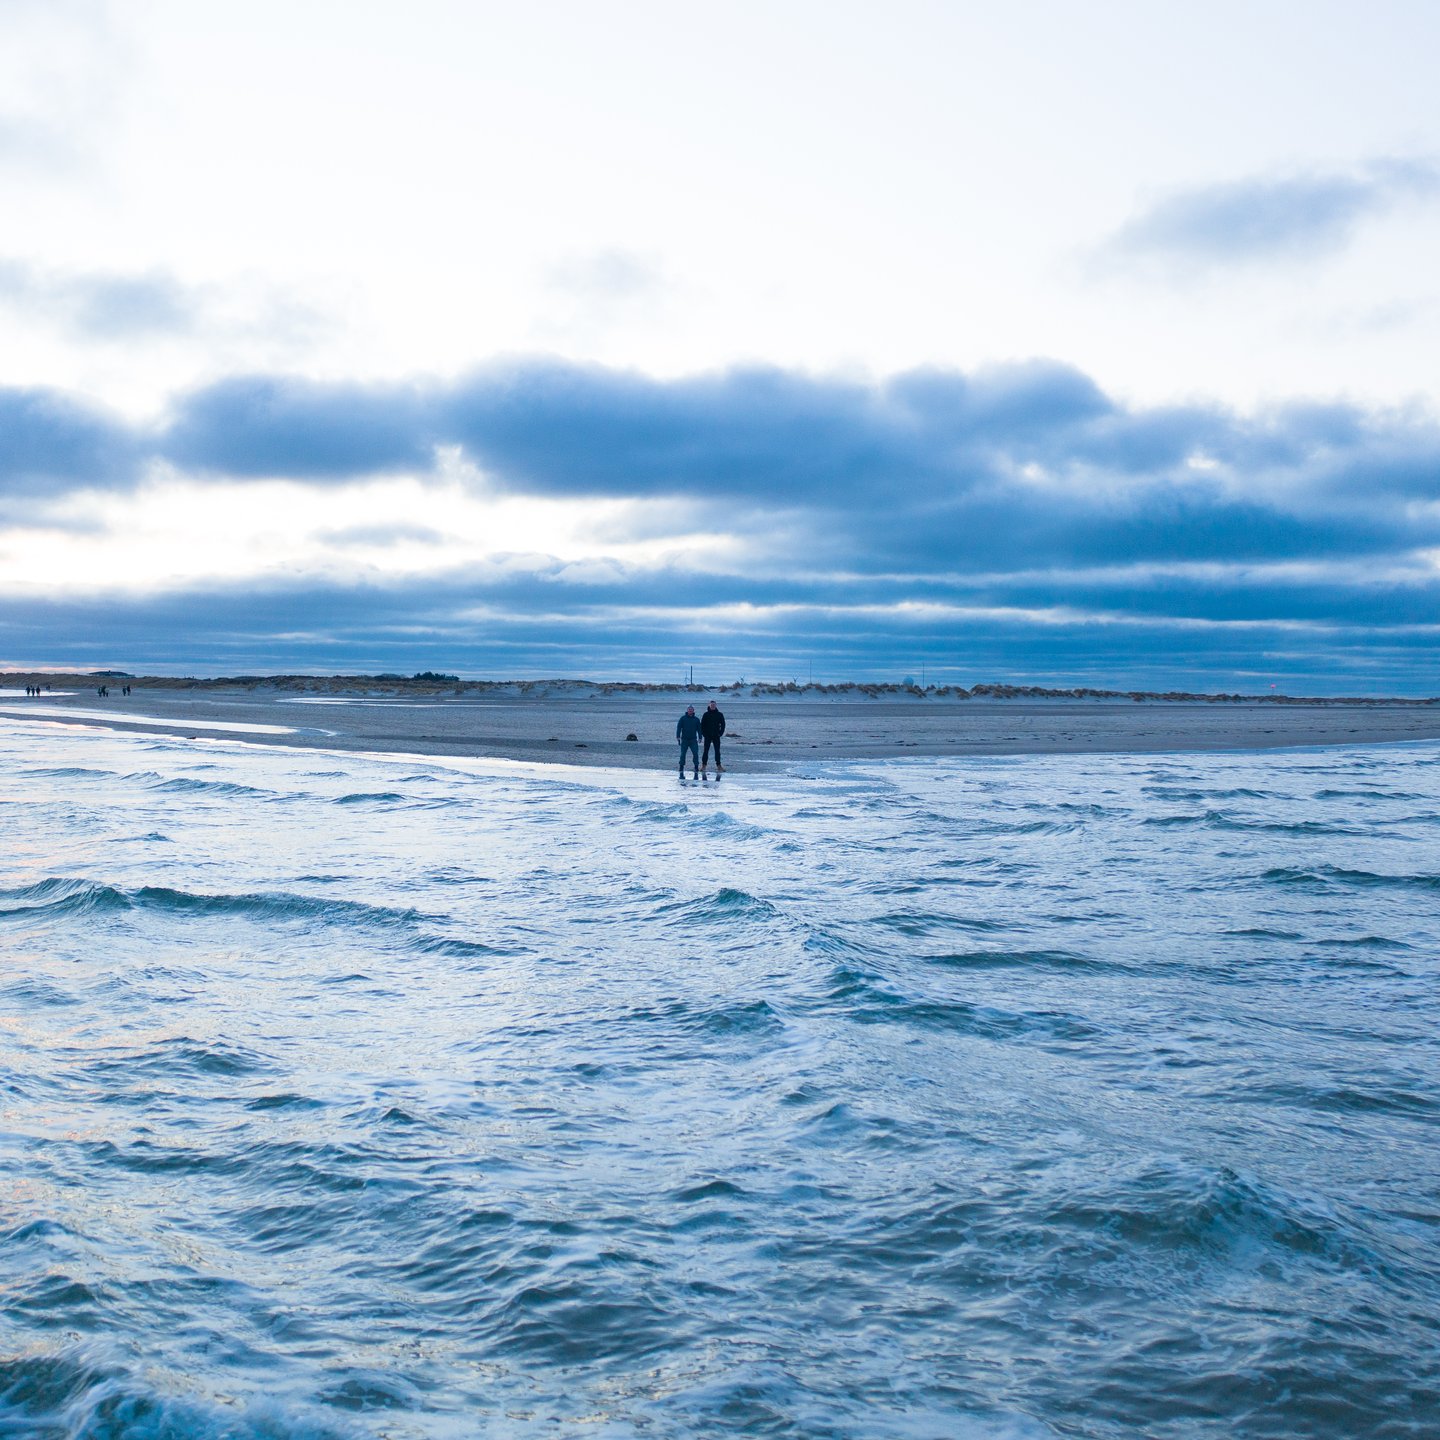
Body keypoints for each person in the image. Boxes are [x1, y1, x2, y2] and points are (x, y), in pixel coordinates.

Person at [700, 699, 726, 773]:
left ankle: (719, 766)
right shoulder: (706, 714)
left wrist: (720, 733)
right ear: (709, 706)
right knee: (705, 751)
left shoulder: (719, 714)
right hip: (707, 736)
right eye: (711, 705)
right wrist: (704, 734)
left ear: (716, 705)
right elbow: (702, 725)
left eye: (714, 705)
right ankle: (703, 766)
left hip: (716, 736)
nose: (712, 706)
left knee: (717, 751)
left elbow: (723, 725)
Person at [676, 704, 701, 777]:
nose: (690, 710)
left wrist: (700, 737)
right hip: (684, 739)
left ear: (693, 711)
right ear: (687, 710)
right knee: (683, 754)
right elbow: (679, 727)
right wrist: (678, 736)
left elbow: (699, 729)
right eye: (689, 709)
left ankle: (696, 767)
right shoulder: (683, 718)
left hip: (693, 740)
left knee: (695, 753)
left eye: (691, 709)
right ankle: (681, 767)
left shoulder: (696, 719)